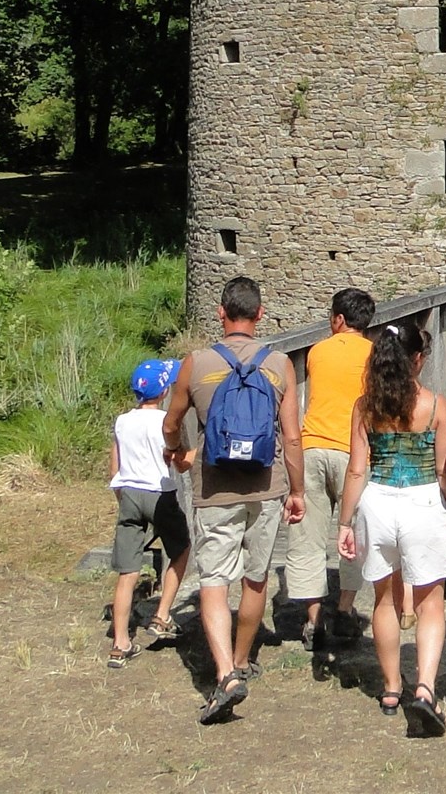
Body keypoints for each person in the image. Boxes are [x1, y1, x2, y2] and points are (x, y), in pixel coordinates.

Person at [163, 276, 304, 724]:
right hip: (266, 484)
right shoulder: (279, 364)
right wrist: (297, 490)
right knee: (256, 577)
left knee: (214, 579)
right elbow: (293, 436)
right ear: (260, 314)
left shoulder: (196, 363)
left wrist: (180, 451)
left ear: (221, 313)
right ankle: (243, 659)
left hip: (214, 485)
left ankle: (224, 674)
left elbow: (171, 422)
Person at [337, 321, 446, 737]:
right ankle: (424, 689)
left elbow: (357, 469)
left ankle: (391, 688)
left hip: (377, 502)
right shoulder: (435, 406)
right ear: (417, 359)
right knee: (430, 603)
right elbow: (445, 471)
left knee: (384, 599)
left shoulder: (365, 406)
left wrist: (344, 521)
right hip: (422, 502)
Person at [288, 286, 374, 652]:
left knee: (307, 535)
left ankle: (312, 619)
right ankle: (344, 608)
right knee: (354, 535)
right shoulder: (373, 353)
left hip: (312, 446)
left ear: (338, 319)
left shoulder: (317, 351)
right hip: (353, 450)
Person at [106, 358, 191, 667]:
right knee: (181, 550)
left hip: (128, 493)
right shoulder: (165, 422)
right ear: (165, 390)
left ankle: (120, 643)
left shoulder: (121, 421)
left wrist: (122, 497)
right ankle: (162, 614)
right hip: (160, 494)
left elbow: (114, 467)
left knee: (127, 572)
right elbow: (179, 461)